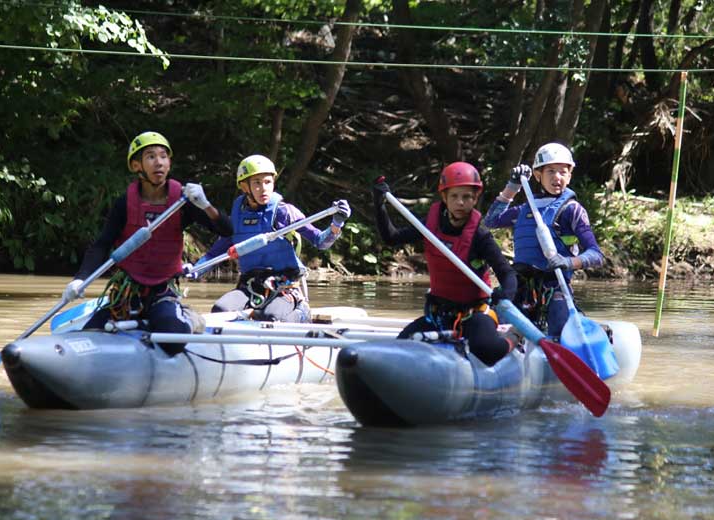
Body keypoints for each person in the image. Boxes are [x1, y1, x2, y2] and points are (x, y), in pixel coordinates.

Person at [61, 131, 233, 354]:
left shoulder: (184, 201)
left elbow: (227, 230)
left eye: (163, 156)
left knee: (172, 342)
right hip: (127, 292)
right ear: (136, 166)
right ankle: (138, 323)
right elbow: (102, 244)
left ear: (169, 163)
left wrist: (205, 205)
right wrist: (79, 280)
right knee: (90, 336)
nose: (159, 162)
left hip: (163, 292)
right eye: (151, 156)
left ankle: (190, 318)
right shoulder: (124, 203)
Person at [373, 162, 519, 367]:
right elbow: (391, 237)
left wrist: (506, 296)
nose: (460, 202)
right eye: (454, 196)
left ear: (475, 198)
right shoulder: (429, 225)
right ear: (444, 198)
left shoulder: (480, 234)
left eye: (467, 197)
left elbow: (507, 272)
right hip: (438, 314)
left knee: (487, 351)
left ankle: (513, 336)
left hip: (474, 313)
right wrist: (379, 205)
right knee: (400, 350)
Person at [193, 154, 351, 322]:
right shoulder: (236, 218)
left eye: (268, 182)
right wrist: (192, 270)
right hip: (250, 286)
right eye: (257, 183)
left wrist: (337, 223)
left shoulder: (284, 212)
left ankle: (302, 311)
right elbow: (213, 255)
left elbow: (321, 242)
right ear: (244, 187)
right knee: (220, 310)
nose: (264, 188)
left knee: (270, 316)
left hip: (284, 287)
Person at [484, 142, 604, 338]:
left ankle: (561, 339)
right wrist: (512, 186)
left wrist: (568, 262)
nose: (557, 177)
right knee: (495, 316)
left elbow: (596, 255)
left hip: (554, 285)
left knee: (558, 326)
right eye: (551, 171)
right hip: (522, 285)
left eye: (563, 172)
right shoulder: (525, 209)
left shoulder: (572, 210)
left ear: (570, 176)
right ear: (538, 175)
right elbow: (491, 221)